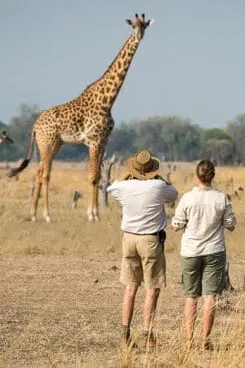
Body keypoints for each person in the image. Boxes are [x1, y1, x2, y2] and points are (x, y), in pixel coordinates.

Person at [107, 149, 178, 347]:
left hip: (128, 239)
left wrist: (124, 177)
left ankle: (125, 332)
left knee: (130, 288)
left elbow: (110, 189)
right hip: (150, 240)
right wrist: (161, 178)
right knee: (152, 288)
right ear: (152, 170)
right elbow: (174, 193)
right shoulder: (158, 186)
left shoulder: (124, 187)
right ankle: (147, 333)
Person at [171, 160, 236, 349]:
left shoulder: (187, 198)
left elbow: (176, 225)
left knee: (191, 297)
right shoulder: (221, 198)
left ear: (197, 175)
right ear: (212, 175)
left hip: (190, 251)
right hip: (214, 251)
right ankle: (204, 340)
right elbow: (230, 225)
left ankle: (189, 339)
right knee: (210, 297)